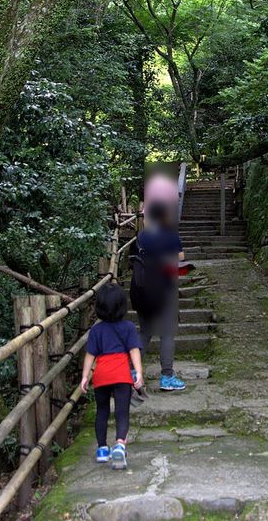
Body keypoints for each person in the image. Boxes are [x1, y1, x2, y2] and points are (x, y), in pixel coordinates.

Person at [80, 283, 143, 470]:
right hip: (121, 374)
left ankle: (101, 449)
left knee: (102, 411)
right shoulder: (128, 327)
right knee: (122, 411)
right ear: (123, 305)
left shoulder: (96, 331)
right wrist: (139, 372)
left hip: (101, 375)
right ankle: (120, 444)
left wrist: (85, 377)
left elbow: (90, 355)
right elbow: (134, 351)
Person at [134, 200, 186, 392]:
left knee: (145, 331)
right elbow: (180, 257)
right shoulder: (170, 235)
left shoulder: (142, 236)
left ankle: (133, 373)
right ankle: (167, 377)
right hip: (165, 288)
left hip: (143, 288)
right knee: (167, 333)